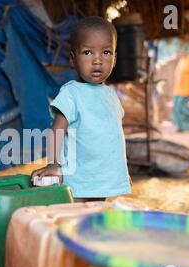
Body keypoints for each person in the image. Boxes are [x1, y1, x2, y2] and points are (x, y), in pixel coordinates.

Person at [31, 16, 131, 202]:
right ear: (73, 58)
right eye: (87, 53)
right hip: (77, 180)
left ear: (115, 58)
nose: (98, 61)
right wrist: (53, 164)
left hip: (101, 181)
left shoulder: (110, 95)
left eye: (106, 53)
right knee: (74, 220)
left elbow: (112, 137)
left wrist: (119, 173)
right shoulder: (72, 93)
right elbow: (56, 131)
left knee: (93, 224)